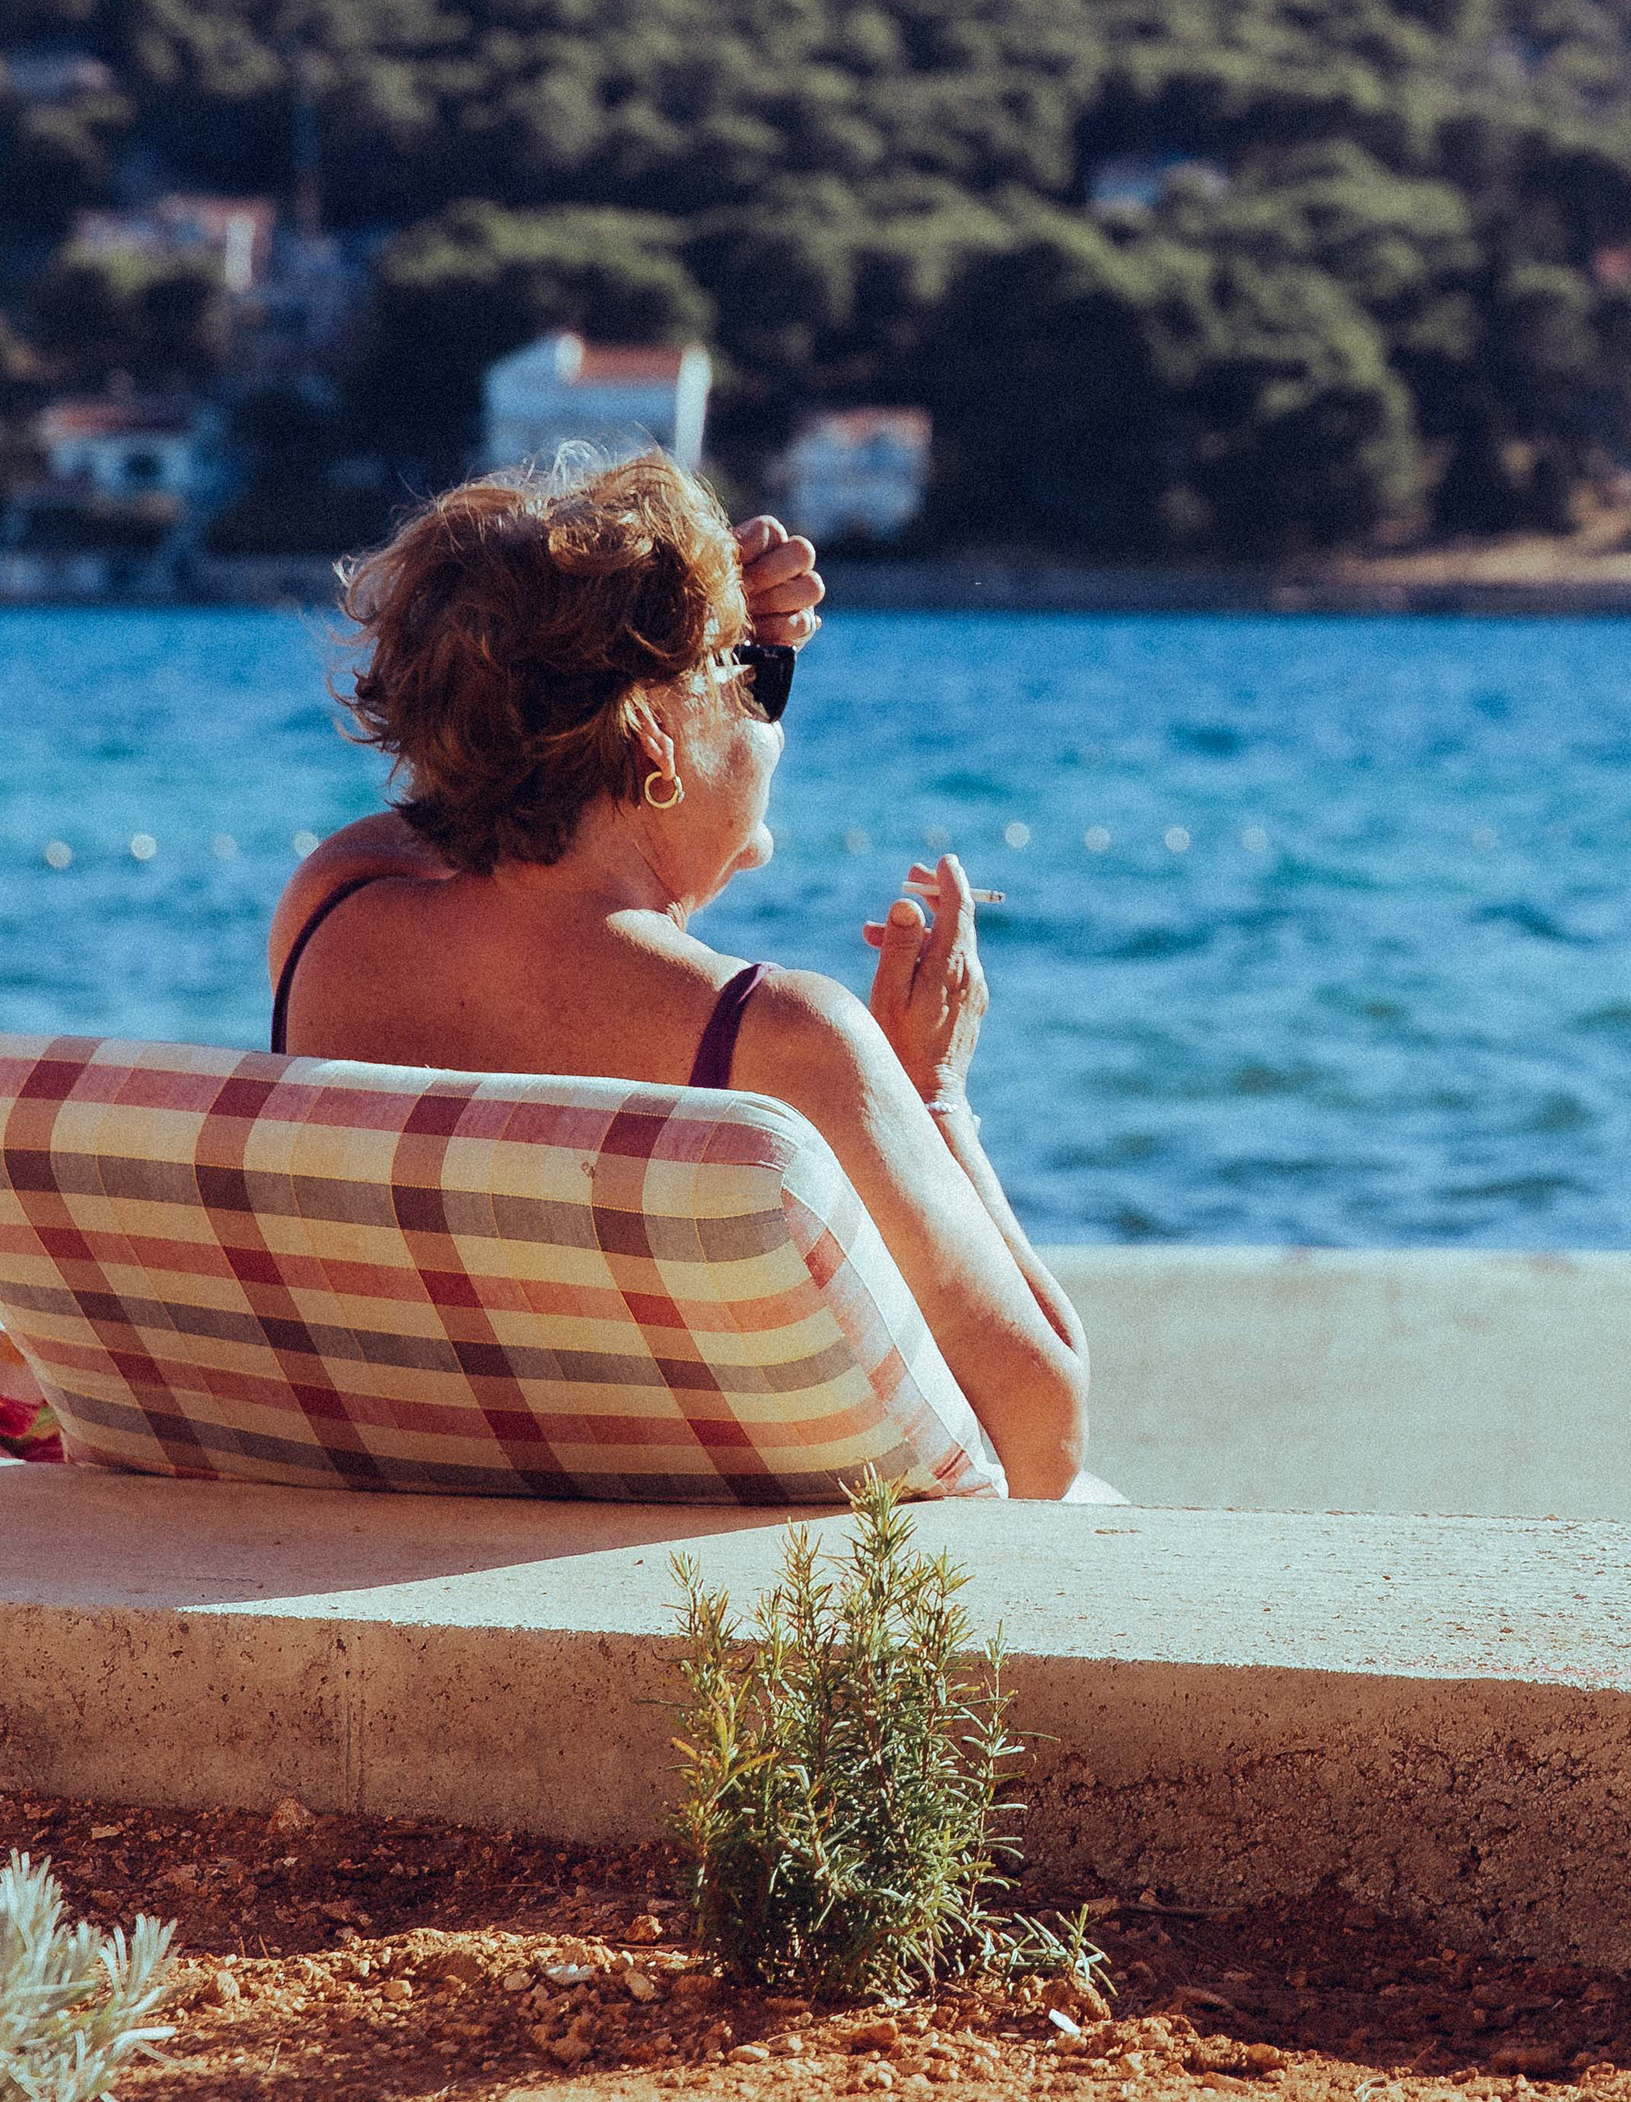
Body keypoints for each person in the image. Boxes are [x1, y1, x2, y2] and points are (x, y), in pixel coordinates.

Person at [263, 454, 1092, 1499]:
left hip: (426, 1508)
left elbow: (470, 818)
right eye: (759, 684)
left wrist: (659, 666)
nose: (773, 724)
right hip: (696, 1574)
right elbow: (1048, 1434)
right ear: (655, 736)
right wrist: (934, 1093)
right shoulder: (781, 1039)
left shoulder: (331, 915)